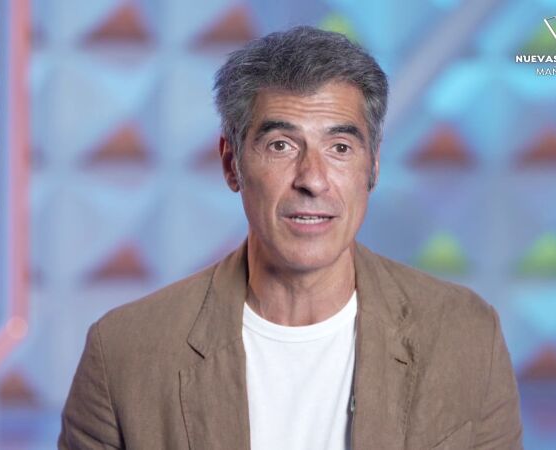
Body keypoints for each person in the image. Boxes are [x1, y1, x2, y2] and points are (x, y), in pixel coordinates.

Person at [59, 26, 523, 450]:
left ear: (373, 166)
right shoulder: (123, 353)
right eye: (281, 145)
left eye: (340, 148)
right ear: (232, 164)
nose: (313, 179)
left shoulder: (465, 336)